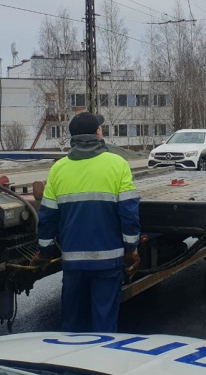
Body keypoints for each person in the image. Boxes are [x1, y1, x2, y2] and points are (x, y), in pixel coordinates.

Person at [32, 112, 140, 333]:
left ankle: (72, 364)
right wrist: (132, 249)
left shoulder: (58, 169)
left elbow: (47, 217)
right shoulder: (118, 164)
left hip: (73, 264)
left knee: (72, 325)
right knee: (104, 323)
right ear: (98, 133)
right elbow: (129, 213)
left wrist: (44, 252)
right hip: (108, 262)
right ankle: (101, 363)